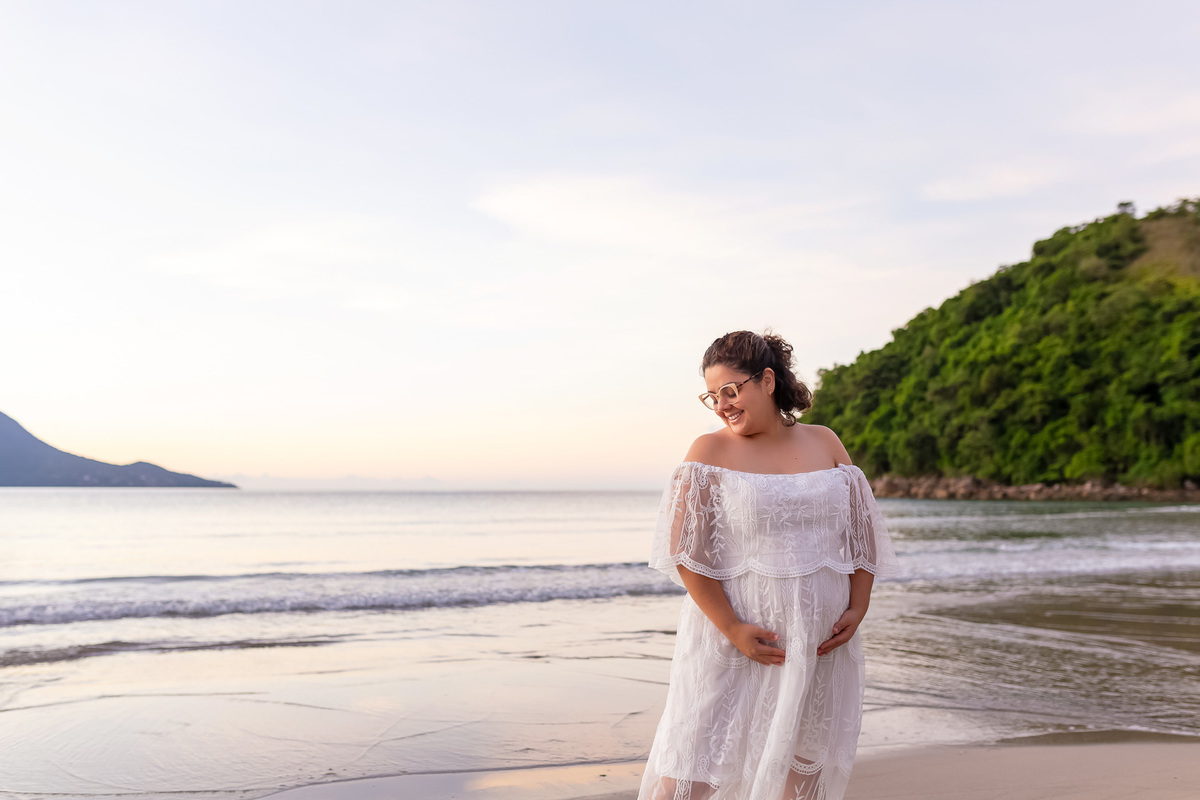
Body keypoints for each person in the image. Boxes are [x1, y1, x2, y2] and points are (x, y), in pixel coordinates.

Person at [637, 330, 900, 800]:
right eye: (712, 396)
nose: (721, 406)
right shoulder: (708, 452)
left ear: (767, 380)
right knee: (695, 766)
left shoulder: (824, 441)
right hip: (735, 640)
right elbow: (686, 553)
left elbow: (863, 532)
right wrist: (733, 629)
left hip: (820, 642)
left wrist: (858, 606)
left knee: (802, 767)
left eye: (730, 391)